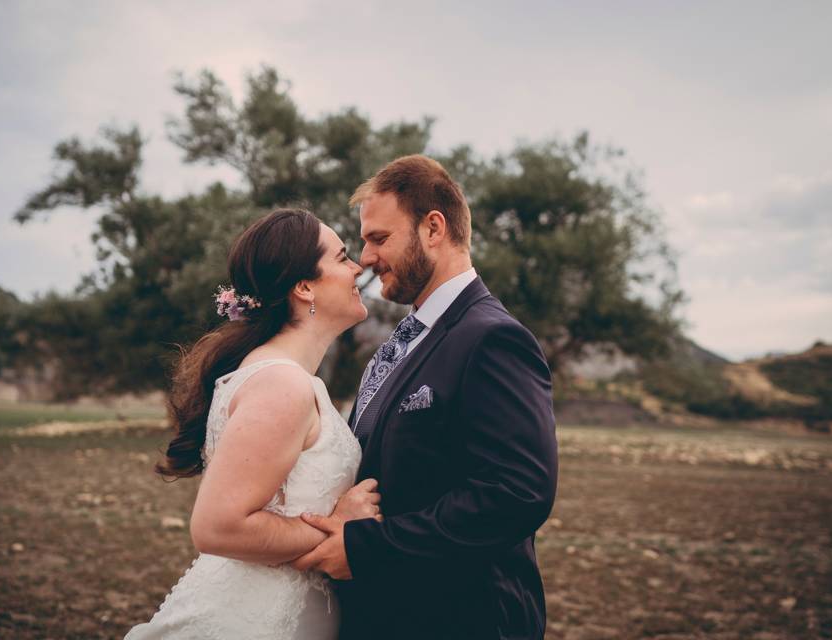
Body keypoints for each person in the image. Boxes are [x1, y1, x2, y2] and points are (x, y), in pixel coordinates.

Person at [293, 155, 559, 639]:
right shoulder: (401, 341)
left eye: (379, 238)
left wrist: (367, 548)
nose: (366, 259)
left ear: (433, 228)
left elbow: (518, 493)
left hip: (463, 619)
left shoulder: (492, 338)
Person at [125, 208, 381, 640]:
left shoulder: (286, 377)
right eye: (341, 258)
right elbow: (216, 526)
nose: (358, 267)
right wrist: (335, 526)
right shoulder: (282, 383)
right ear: (304, 286)